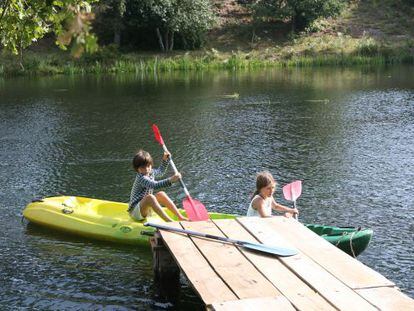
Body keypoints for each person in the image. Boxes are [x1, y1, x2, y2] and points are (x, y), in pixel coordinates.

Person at [128, 149, 187, 222]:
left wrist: (165, 160)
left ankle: (180, 217)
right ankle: (169, 222)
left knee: (161, 194)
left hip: (145, 209)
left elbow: (160, 172)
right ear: (137, 169)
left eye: (148, 166)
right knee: (150, 197)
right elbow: (155, 185)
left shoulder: (150, 172)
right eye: (143, 167)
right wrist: (171, 180)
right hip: (135, 213)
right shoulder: (141, 178)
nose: (146, 169)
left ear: (151, 165)